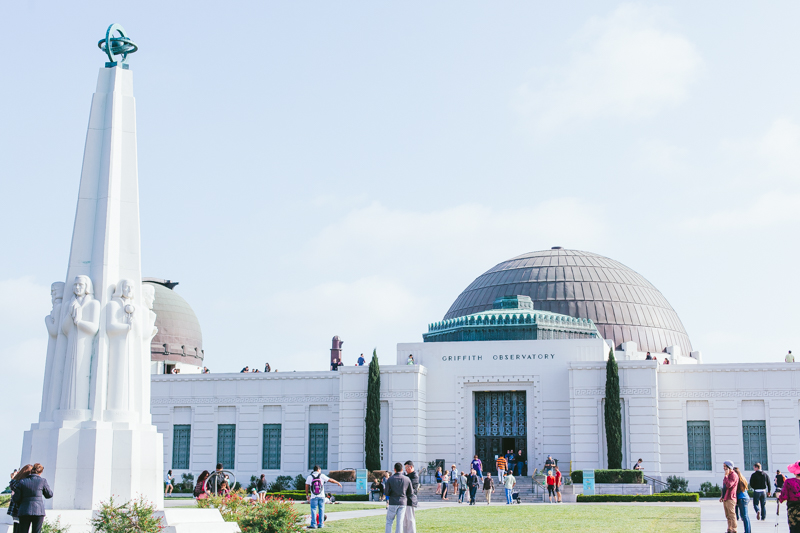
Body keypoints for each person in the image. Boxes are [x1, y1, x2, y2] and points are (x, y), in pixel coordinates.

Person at [11, 463, 52, 533]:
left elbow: (16, 498)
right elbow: (49, 495)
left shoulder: (22, 481)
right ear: (41, 472)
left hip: (24, 510)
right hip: (38, 511)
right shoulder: (42, 481)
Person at [306, 465, 342, 529]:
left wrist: (307, 495)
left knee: (313, 510)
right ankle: (321, 524)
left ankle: (313, 524)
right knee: (321, 510)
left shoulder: (309, 477)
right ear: (318, 469)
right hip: (322, 496)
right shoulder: (322, 476)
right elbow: (330, 480)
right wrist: (337, 482)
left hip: (313, 496)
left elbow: (306, 486)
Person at [385, 462, 412, 533]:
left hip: (393, 502)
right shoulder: (407, 479)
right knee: (400, 522)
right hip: (402, 502)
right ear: (402, 469)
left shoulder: (390, 479)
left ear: (394, 469)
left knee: (389, 521)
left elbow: (386, 492)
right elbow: (411, 492)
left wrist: (391, 493)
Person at [7, 465, 33, 533]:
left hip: (14, 506)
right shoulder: (25, 482)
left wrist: (13, 478)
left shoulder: (16, 481)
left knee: (16, 526)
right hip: (22, 506)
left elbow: (13, 486)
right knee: (22, 527)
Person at [778, 461, 800, 533]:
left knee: (794, 529)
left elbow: (784, 496)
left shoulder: (789, 482)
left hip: (793, 509)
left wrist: (779, 497)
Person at [720, 461, 738, 533]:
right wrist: (722, 496)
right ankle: (729, 529)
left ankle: (734, 529)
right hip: (725, 497)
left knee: (732, 514)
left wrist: (726, 476)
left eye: (725, 466)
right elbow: (724, 487)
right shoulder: (727, 475)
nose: (724, 468)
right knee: (727, 515)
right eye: (723, 466)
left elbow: (729, 485)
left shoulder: (733, 475)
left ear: (729, 467)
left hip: (731, 497)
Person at [733, 467, 752, 533]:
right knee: (745, 516)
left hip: (741, 498)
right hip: (746, 497)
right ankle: (748, 531)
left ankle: (747, 531)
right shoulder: (743, 478)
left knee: (744, 516)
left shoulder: (737, 480)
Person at [403, 461, 419, 533]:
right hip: (405, 500)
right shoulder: (408, 476)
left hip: (410, 500)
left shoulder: (414, 476)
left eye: (407, 467)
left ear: (411, 467)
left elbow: (409, 488)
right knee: (405, 520)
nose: (405, 469)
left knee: (410, 519)